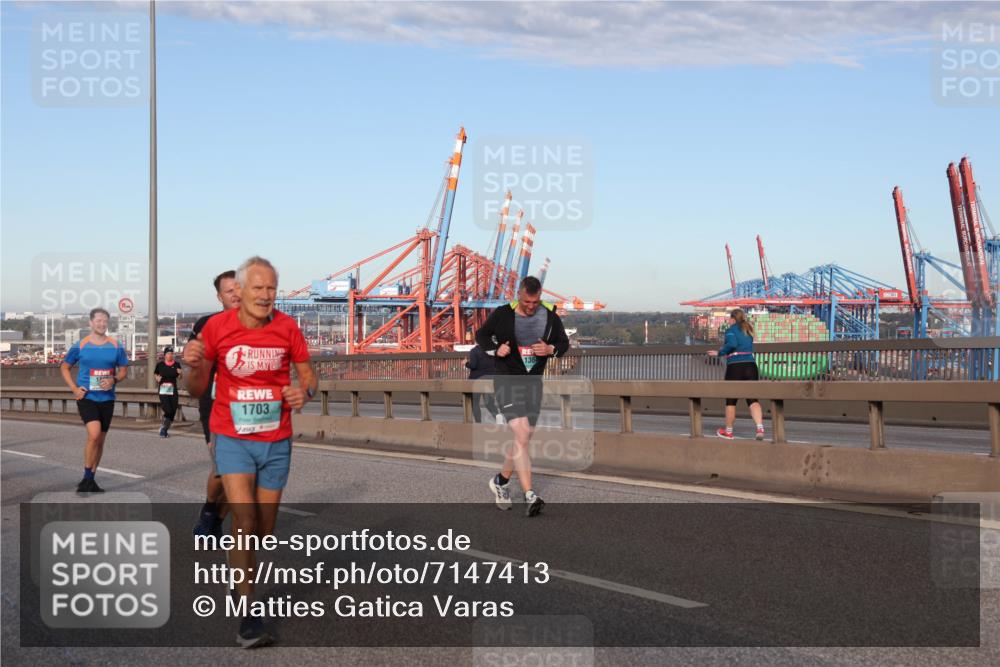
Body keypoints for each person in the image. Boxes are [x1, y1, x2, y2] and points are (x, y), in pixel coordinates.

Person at [184, 256, 316, 648]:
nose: (265, 295)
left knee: (263, 530)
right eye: (257, 288)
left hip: (276, 440)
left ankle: (237, 574)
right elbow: (195, 389)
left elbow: (309, 377)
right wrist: (192, 366)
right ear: (239, 291)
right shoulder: (216, 328)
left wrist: (303, 393)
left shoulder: (287, 327)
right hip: (232, 437)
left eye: (271, 288)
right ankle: (248, 612)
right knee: (242, 522)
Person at [475, 276, 570, 517]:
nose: (531, 306)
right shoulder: (503, 314)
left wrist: (551, 349)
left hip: (533, 384)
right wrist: (495, 349)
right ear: (519, 295)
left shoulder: (549, 316)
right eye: (527, 301)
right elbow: (481, 335)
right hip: (507, 381)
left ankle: (501, 481)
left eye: (536, 301)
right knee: (523, 432)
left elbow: (563, 343)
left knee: (523, 438)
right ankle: (530, 494)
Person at [190, 270, 241, 538]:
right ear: (219, 296)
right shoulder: (207, 324)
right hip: (217, 407)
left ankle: (215, 523)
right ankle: (210, 512)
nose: (236, 294)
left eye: (240, 288)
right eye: (229, 290)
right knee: (223, 472)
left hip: (254, 410)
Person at [59, 307, 129, 493]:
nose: (102, 324)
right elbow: (64, 367)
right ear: (90, 323)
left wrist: (114, 379)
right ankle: (86, 477)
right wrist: (74, 388)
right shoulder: (80, 345)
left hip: (107, 399)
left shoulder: (116, 345)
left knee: (101, 440)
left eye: (105, 321)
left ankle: (91, 479)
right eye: (98, 320)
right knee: (94, 434)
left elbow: (123, 370)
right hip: (87, 397)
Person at [708, 308, 765, 440]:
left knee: (731, 401)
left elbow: (732, 344)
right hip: (751, 366)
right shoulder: (748, 329)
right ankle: (760, 428)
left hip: (736, 366)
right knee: (752, 399)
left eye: (729, 318)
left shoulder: (731, 330)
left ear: (733, 319)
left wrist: (719, 353)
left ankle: (728, 432)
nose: (728, 320)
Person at [465, 344, 498, 423]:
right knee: (489, 403)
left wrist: (466, 363)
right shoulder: (492, 350)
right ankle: (498, 419)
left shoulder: (474, 351)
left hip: (476, 380)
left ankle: (478, 422)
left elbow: (473, 365)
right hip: (490, 380)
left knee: (475, 403)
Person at [154, 346, 181, 437]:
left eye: (171, 353)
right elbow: (156, 374)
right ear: (165, 355)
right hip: (163, 389)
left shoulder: (177, 364)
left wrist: (181, 374)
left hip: (173, 390)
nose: (170, 355)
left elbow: (180, 377)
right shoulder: (160, 365)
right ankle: (164, 429)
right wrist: (157, 378)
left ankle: (164, 428)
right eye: (168, 353)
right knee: (168, 410)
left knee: (173, 410)